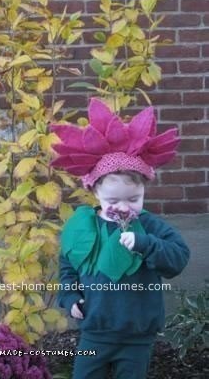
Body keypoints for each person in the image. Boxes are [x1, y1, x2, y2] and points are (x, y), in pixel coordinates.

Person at [49, 98, 190, 379]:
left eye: (134, 199)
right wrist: (69, 297)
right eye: (113, 200)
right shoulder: (81, 229)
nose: (124, 208)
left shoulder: (148, 225)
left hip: (137, 334)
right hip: (95, 330)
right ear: (95, 193)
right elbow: (68, 270)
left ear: (143, 193)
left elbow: (178, 258)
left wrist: (146, 244)